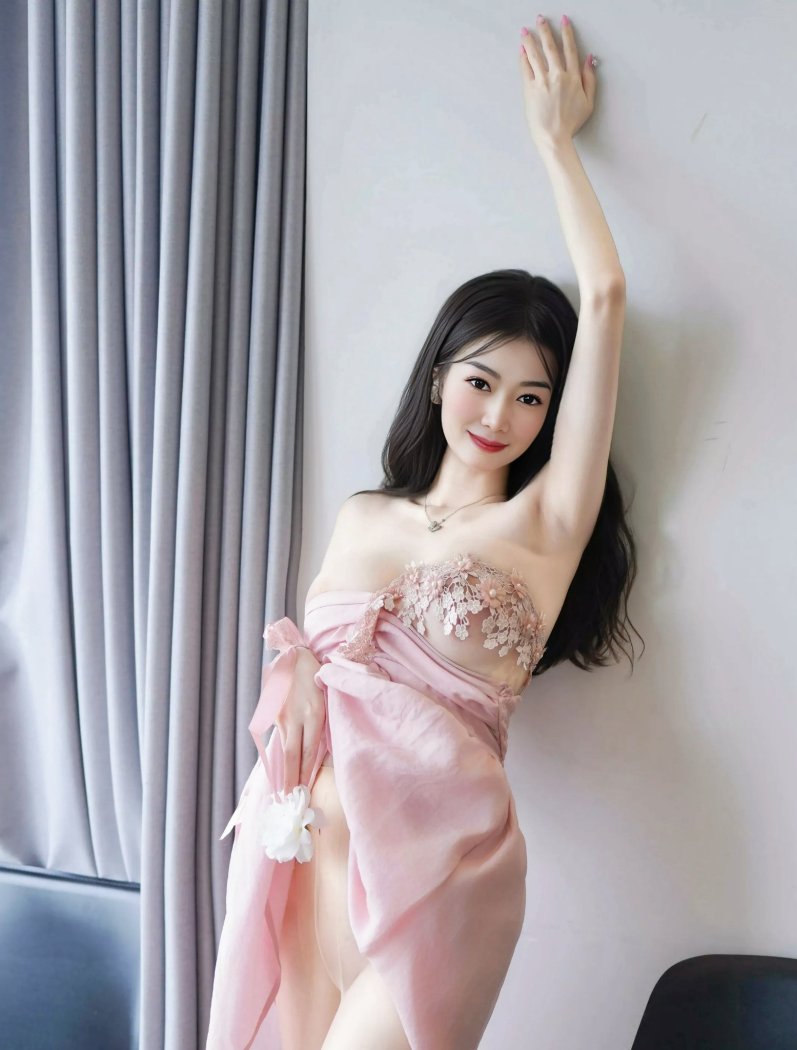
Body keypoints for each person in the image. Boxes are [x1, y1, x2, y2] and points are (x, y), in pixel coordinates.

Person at [206, 14, 642, 1050]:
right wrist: (299, 674)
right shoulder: (363, 515)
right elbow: (315, 670)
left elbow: (606, 296)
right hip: (298, 850)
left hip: (441, 874)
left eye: (531, 399)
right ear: (440, 376)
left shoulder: (544, 523)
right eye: (482, 381)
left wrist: (552, 141)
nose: (499, 415)